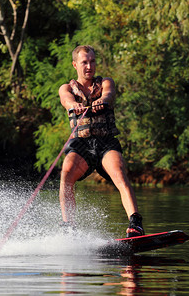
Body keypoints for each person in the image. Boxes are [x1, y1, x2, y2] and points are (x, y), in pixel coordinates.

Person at [58, 45, 145, 237]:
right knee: (66, 174)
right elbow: (66, 100)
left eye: (92, 61)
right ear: (75, 65)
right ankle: (69, 228)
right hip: (81, 144)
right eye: (84, 62)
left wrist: (102, 100)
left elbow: (109, 94)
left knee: (119, 172)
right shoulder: (67, 88)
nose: (89, 66)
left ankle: (135, 223)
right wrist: (74, 105)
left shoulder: (106, 82)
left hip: (105, 142)